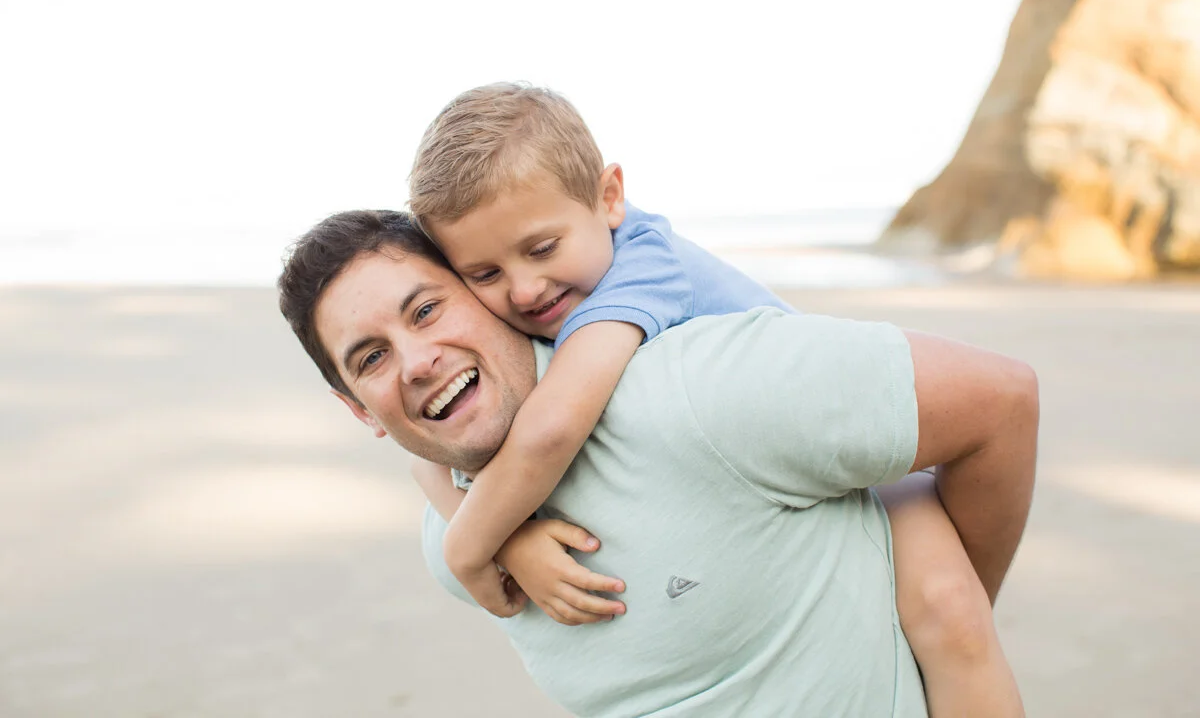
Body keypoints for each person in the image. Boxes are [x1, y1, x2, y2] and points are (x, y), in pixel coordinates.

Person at [404, 83, 1022, 711]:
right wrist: (506, 537)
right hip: (777, 473)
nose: (525, 288)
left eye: (542, 249)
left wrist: (473, 542)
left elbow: (554, 427)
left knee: (952, 611)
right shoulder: (557, 287)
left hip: (850, 454)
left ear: (609, 197)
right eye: (484, 274)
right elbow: (426, 450)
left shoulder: (641, 270)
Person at [277, 209, 1038, 716]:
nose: (415, 361)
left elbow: (1001, 400)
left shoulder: (692, 388)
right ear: (357, 409)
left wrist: (949, 612)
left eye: (427, 309)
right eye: (371, 357)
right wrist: (491, 534)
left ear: (486, 293)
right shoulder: (454, 555)